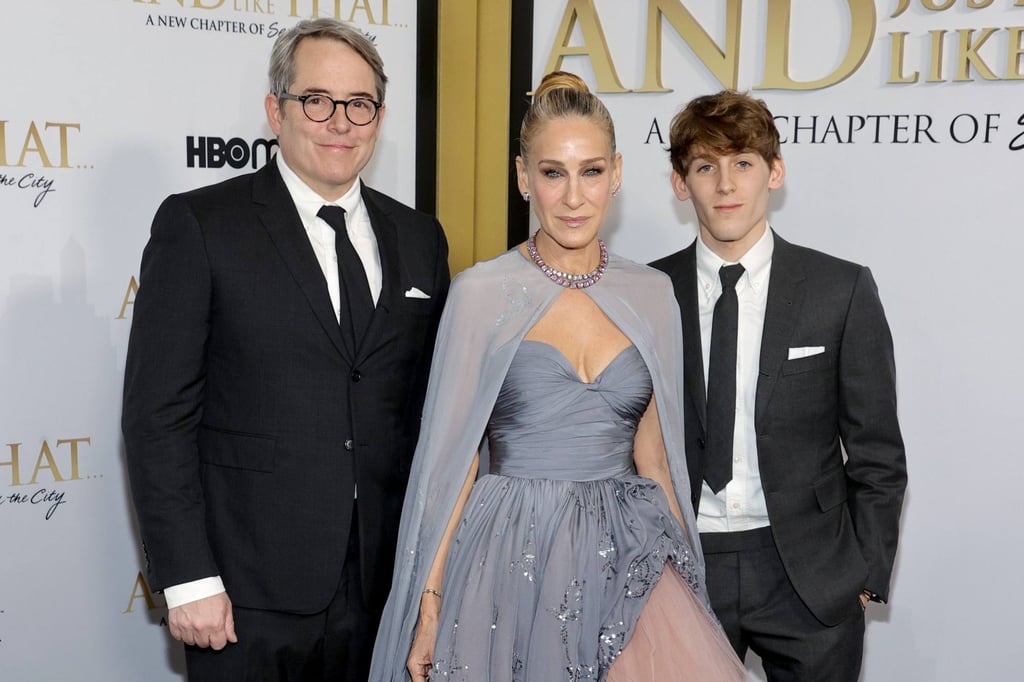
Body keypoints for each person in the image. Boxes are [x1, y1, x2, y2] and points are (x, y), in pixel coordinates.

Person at [369, 72, 746, 682]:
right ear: (524, 177)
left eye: (591, 172)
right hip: (509, 557)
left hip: (631, 552)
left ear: (617, 173)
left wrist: (690, 584)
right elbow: (452, 463)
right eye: (553, 173)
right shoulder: (479, 293)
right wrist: (430, 603)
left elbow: (655, 455)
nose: (574, 197)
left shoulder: (652, 294)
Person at [121, 18, 449, 681]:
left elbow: (424, 415)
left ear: (379, 117)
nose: (340, 122)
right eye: (316, 100)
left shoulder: (419, 238)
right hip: (245, 594)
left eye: (359, 104)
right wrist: (186, 578)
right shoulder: (201, 226)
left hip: (383, 588)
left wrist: (430, 583)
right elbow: (157, 418)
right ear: (276, 110)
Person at [649, 90, 907, 681]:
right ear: (679, 183)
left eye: (742, 162)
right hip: (683, 564)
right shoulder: (648, 294)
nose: (725, 184)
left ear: (775, 172)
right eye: (705, 166)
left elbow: (878, 452)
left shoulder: (838, 290)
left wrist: (864, 573)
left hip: (809, 573)